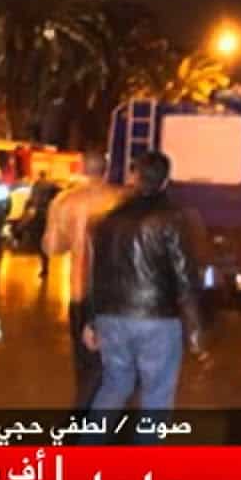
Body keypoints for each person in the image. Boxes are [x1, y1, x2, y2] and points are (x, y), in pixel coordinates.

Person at [85, 151, 210, 418]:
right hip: (157, 320)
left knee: (114, 386)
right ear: (165, 181)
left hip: (112, 318)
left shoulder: (108, 220)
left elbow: (97, 274)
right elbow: (185, 277)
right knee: (157, 396)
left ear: (134, 177)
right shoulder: (173, 219)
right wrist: (195, 329)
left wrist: (93, 320)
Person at [43, 151, 124, 407]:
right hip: (116, 294)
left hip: (80, 292)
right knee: (116, 365)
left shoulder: (64, 201)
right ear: (106, 169)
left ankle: (86, 414)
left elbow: (52, 247)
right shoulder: (121, 199)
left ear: (81, 168)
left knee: (86, 363)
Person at [26, 171, 59, 278]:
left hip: (38, 215)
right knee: (45, 239)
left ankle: (44, 266)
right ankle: (45, 263)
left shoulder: (35, 185)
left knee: (39, 239)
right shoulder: (52, 185)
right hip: (48, 215)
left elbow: (30, 200)